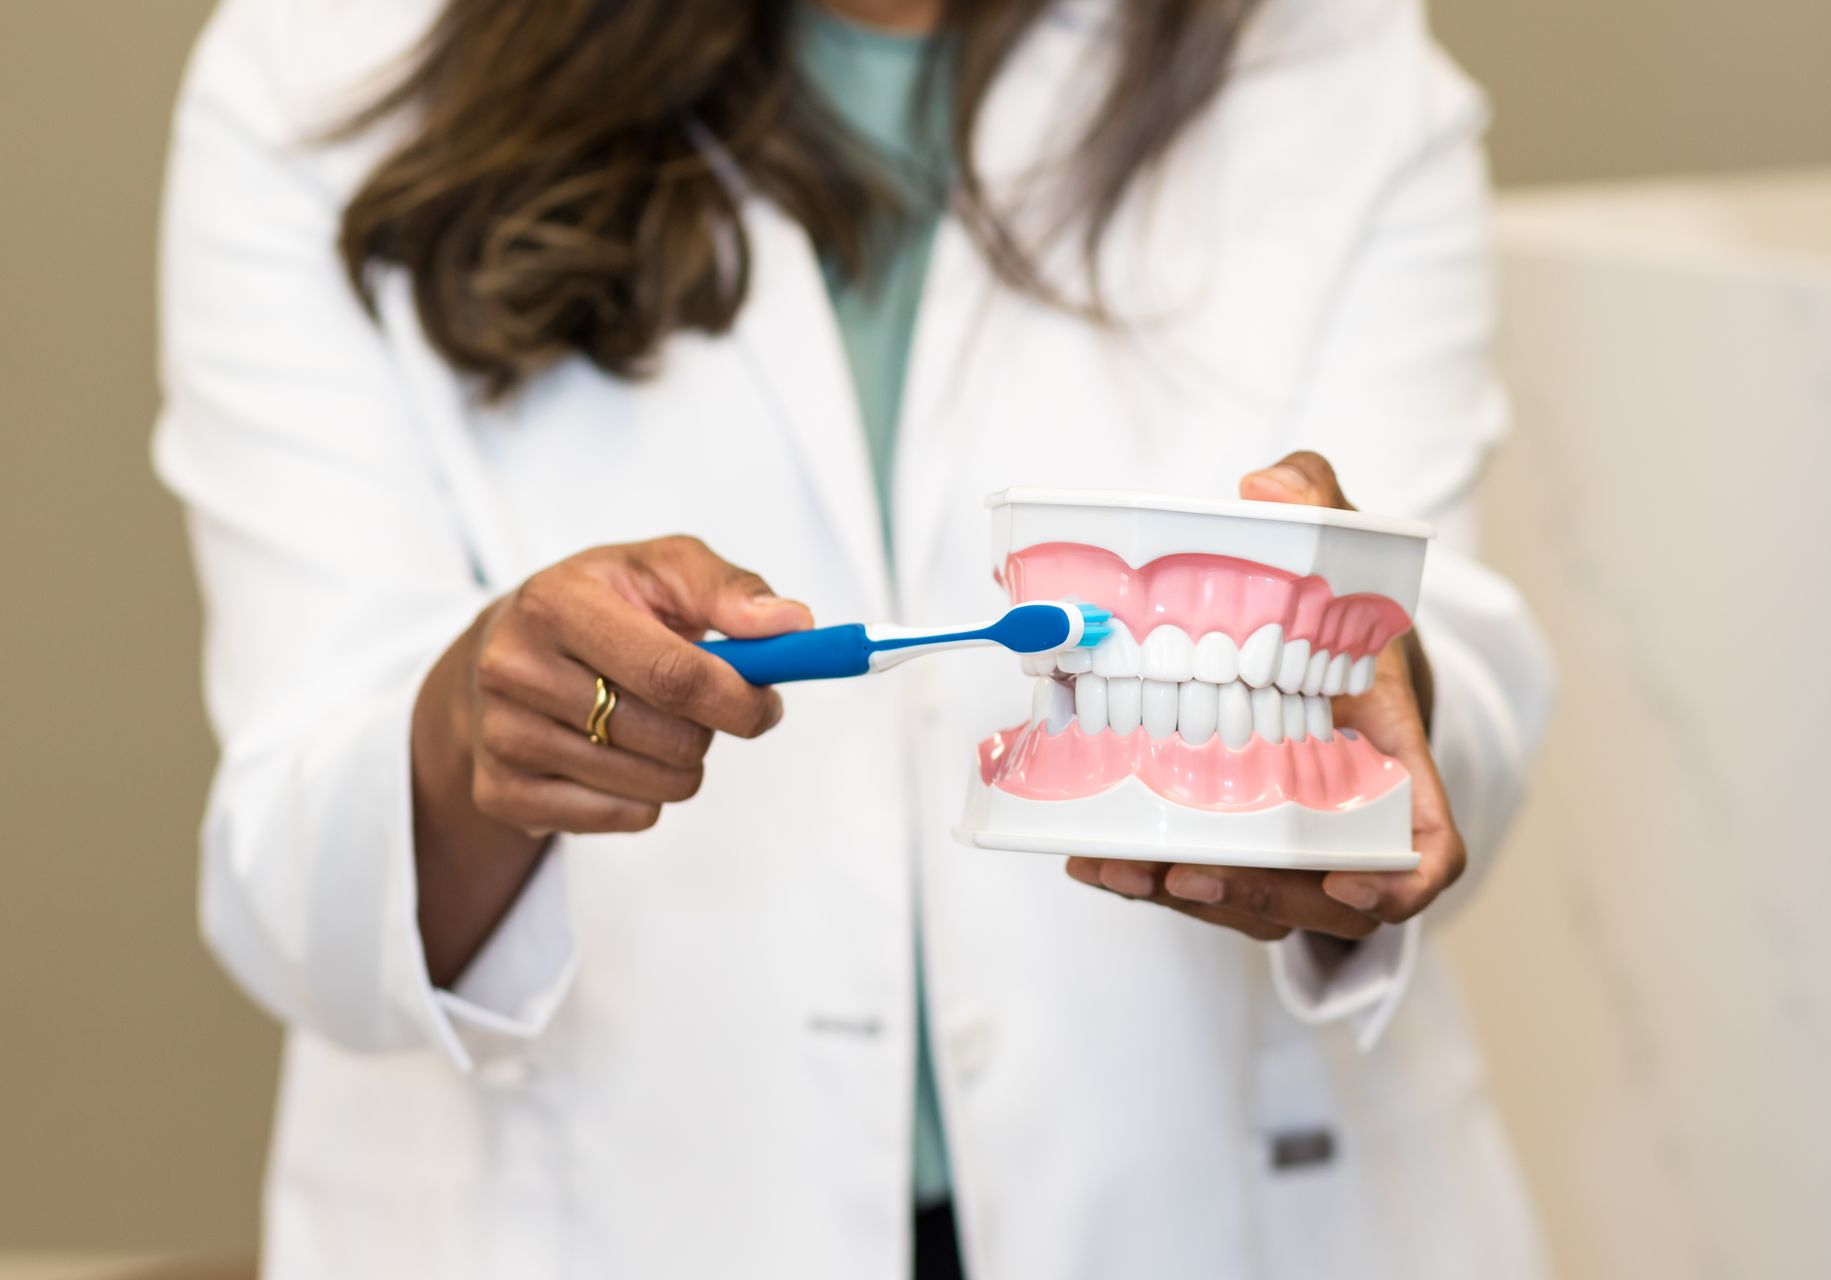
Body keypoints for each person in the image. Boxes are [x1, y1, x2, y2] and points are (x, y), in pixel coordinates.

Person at [155, 0, 1554, 1275]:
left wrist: (1378, 691)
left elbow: (1449, 676)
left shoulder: (1331, 62)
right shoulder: (317, 75)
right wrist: (476, 730)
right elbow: (289, 870)